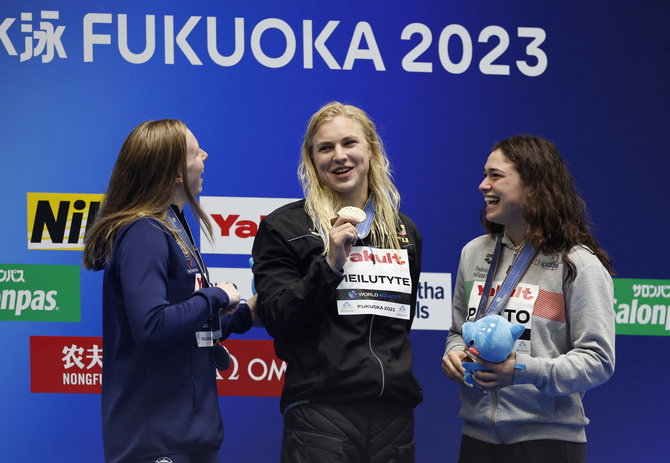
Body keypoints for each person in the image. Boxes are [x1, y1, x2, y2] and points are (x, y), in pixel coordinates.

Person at [252, 102, 423, 462]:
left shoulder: (404, 232)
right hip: (320, 411)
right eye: (326, 148)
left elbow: (399, 323)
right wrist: (329, 263)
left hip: (393, 413)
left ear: (371, 149)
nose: (339, 156)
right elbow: (279, 316)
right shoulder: (285, 229)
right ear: (312, 159)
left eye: (350, 143)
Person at [83, 119, 257, 463]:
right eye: (195, 151)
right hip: (157, 443)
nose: (205, 155)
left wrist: (244, 314)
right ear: (176, 172)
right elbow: (153, 326)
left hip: (186, 438)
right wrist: (217, 296)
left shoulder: (169, 224)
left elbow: (184, 331)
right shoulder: (144, 232)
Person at [442, 135, 615, 463]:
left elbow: (598, 360)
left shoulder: (577, 264)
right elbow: (457, 331)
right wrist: (454, 353)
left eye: (495, 175)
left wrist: (521, 370)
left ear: (533, 187)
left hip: (547, 441)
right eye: (484, 174)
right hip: (477, 436)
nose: (482, 185)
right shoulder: (473, 253)